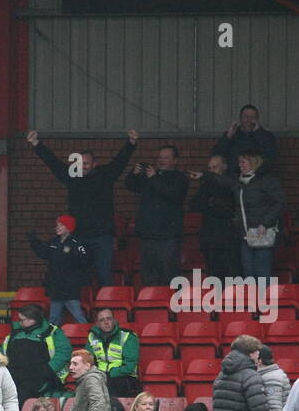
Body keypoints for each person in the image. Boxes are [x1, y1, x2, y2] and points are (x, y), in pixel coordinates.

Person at [26, 128, 138, 286]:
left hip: (102, 237)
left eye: (86, 163)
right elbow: (53, 163)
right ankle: (80, 309)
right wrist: (36, 144)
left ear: (95, 164)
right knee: (77, 276)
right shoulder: (72, 177)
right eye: (79, 163)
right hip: (79, 236)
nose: (82, 166)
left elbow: (121, 161)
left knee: (104, 275)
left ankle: (106, 309)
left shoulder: (106, 175)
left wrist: (131, 143)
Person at [190, 152, 284, 280]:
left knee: (262, 273)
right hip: (244, 234)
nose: (240, 165)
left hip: (262, 233)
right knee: (248, 273)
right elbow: (222, 179)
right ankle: (251, 300)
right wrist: (203, 175)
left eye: (243, 162)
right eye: (239, 162)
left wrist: (265, 223)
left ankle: (263, 299)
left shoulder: (266, 181)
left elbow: (279, 203)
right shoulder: (239, 183)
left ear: (253, 162)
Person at [124, 145, 188, 287]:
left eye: (166, 157)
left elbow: (172, 194)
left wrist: (153, 178)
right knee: (149, 276)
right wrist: (133, 173)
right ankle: (152, 306)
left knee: (169, 276)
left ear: (175, 161)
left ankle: (172, 307)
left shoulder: (180, 178)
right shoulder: (151, 177)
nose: (161, 160)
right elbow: (130, 186)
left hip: (168, 237)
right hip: (148, 236)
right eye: (160, 157)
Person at [28, 215, 92, 325]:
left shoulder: (76, 243)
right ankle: (52, 340)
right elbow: (43, 253)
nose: (57, 227)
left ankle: (88, 338)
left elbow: (85, 262)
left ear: (68, 227)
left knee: (78, 316)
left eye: (61, 224)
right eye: (57, 224)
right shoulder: (53, 242)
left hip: (70, 288)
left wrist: (77, 261)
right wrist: (34, 242)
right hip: (56, 287)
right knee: (53, 319)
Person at [3, 304, 69, 406]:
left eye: (22, 319)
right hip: (15, 377)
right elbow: (3, 351)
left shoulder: (53, 332)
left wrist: (48, 370)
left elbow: (64, 352)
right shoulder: (15, 332)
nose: (19, 322)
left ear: (32, 320)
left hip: (42, 378)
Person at [189, 154, 240, 280]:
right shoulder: (206, 185)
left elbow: (228, 209)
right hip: (210, 237)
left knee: (231, 275)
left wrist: (210, 204)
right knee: (214, 276)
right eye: (209, 168)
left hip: (228, 237)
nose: (211, 171)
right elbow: (194, 204)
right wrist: (212, 203)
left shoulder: (232, 184)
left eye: (215, 167)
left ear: (224, 167)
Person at [211, 104, 278, 175]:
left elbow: (270, 156)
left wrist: (258, 133)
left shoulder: (267, 136)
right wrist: (228, 137)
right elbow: (217, 154)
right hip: (233, 178)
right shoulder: (232, 135)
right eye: (246, 117)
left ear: (257, 119)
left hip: (257, 179)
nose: (249, 120)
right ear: (240, 119)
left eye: (252, 117)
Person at [87, 308, 140, 398]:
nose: (106, 322)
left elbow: (130, 366)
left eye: (109, 319)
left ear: (114, 320)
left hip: (124, 378)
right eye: (102, 320)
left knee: (112, 386)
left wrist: (110, 374)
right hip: (101, 377)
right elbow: (87, 361)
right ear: (97, 324)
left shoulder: (128, 336)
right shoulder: (92, 337)